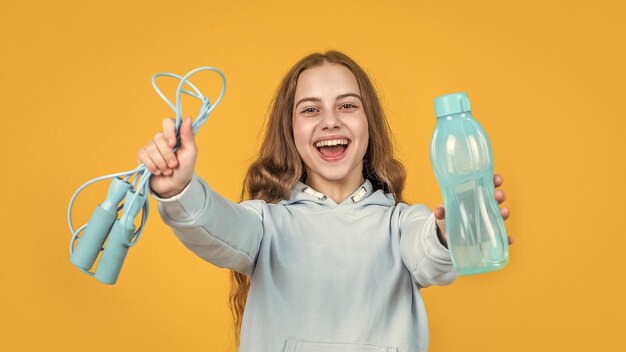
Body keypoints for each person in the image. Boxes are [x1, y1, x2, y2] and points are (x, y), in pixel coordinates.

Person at [137, 50, 512, 352]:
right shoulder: (265, 226)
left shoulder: (402, 225)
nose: (329, 121)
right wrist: (179, 189)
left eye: (347, 106)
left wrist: (450, 235)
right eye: (311, 109)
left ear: (369, 125)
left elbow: (430, 253)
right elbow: (215, 226)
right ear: (292, 131)